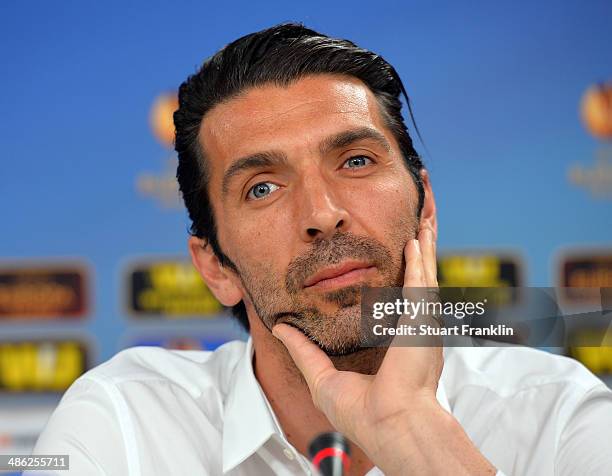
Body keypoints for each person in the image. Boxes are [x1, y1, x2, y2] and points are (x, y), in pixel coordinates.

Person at [30, 23, 612, 476]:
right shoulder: (127, 421)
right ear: (215, 267)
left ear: (425, 204)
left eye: (356, 161)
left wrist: (417, 437)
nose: (321, 213)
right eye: (263, 187)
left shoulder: (559, 415)